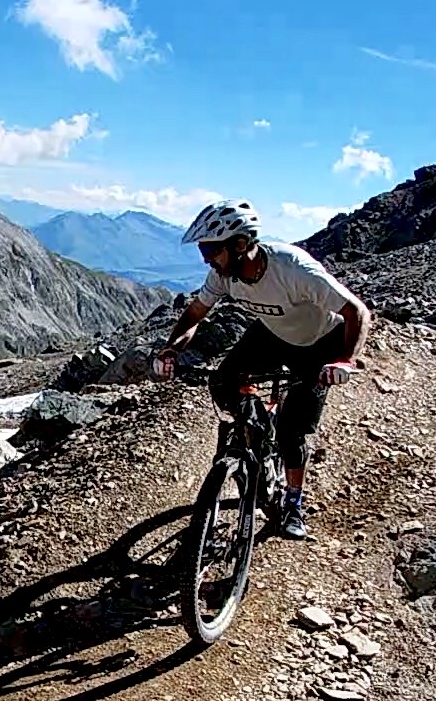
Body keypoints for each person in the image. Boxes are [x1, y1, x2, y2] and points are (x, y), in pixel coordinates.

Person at [151, 199, 367, 540]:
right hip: (272, 331)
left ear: (239, 245)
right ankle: (255, 430)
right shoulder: (224, 274)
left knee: (291, 433)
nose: (206, 258)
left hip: (320, 343)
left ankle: (293, 502)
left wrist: (344, 361)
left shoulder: (294, 270)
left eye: (211, 249)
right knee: (223, 382)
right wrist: (172, 349)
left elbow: (357, 312)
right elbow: (194, 314)